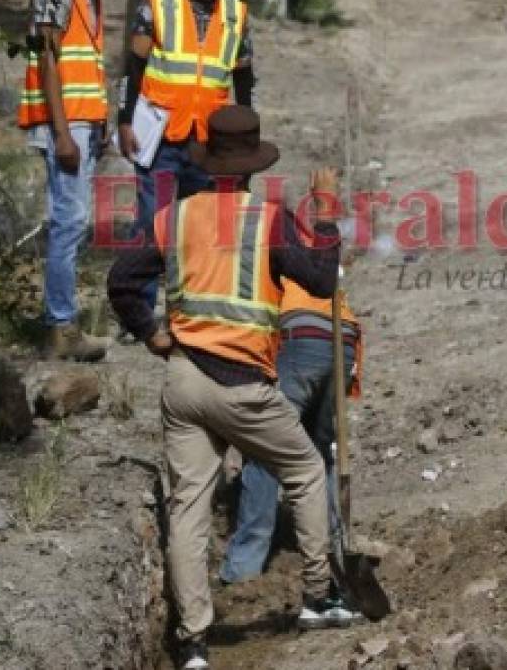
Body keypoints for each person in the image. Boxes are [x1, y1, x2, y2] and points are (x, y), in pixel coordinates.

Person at [107, 106, 359, 670]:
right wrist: (324, 209)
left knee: (188, 507)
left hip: (186, 381)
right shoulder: (268, 219)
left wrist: (150, 333)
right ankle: (319, 596)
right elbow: (319, 279)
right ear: (250, 165)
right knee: (303, 471)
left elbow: (122, 282)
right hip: (245, 385)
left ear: (209, 160)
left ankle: (193, 642)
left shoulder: (173, 217)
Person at [117, 0, 257, 308]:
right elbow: (134, 65)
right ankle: (138, 307)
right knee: (152, 224)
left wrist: (245, 143)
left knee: (198, 227)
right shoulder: (158, 0)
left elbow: (244, 82)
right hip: (159, 137)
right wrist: (124, 120)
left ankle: (190, 307)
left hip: (207, 142)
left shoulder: (236, 13)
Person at [17, 0, 116, 361]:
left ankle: (63, 323)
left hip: (82, 121)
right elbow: (48, 60)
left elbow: (86, 60)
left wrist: (100, 119)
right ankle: (61, 327)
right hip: (66, 124)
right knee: (68, 221)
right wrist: (62, 132)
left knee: (73, 222)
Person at [218, 280, 363, 584]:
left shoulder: (266, 252)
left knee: (266, 451)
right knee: (318, 451)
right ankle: (332, 553)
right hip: (344, 337)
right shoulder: (313, 255)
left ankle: (243, 568)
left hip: (298, 336)